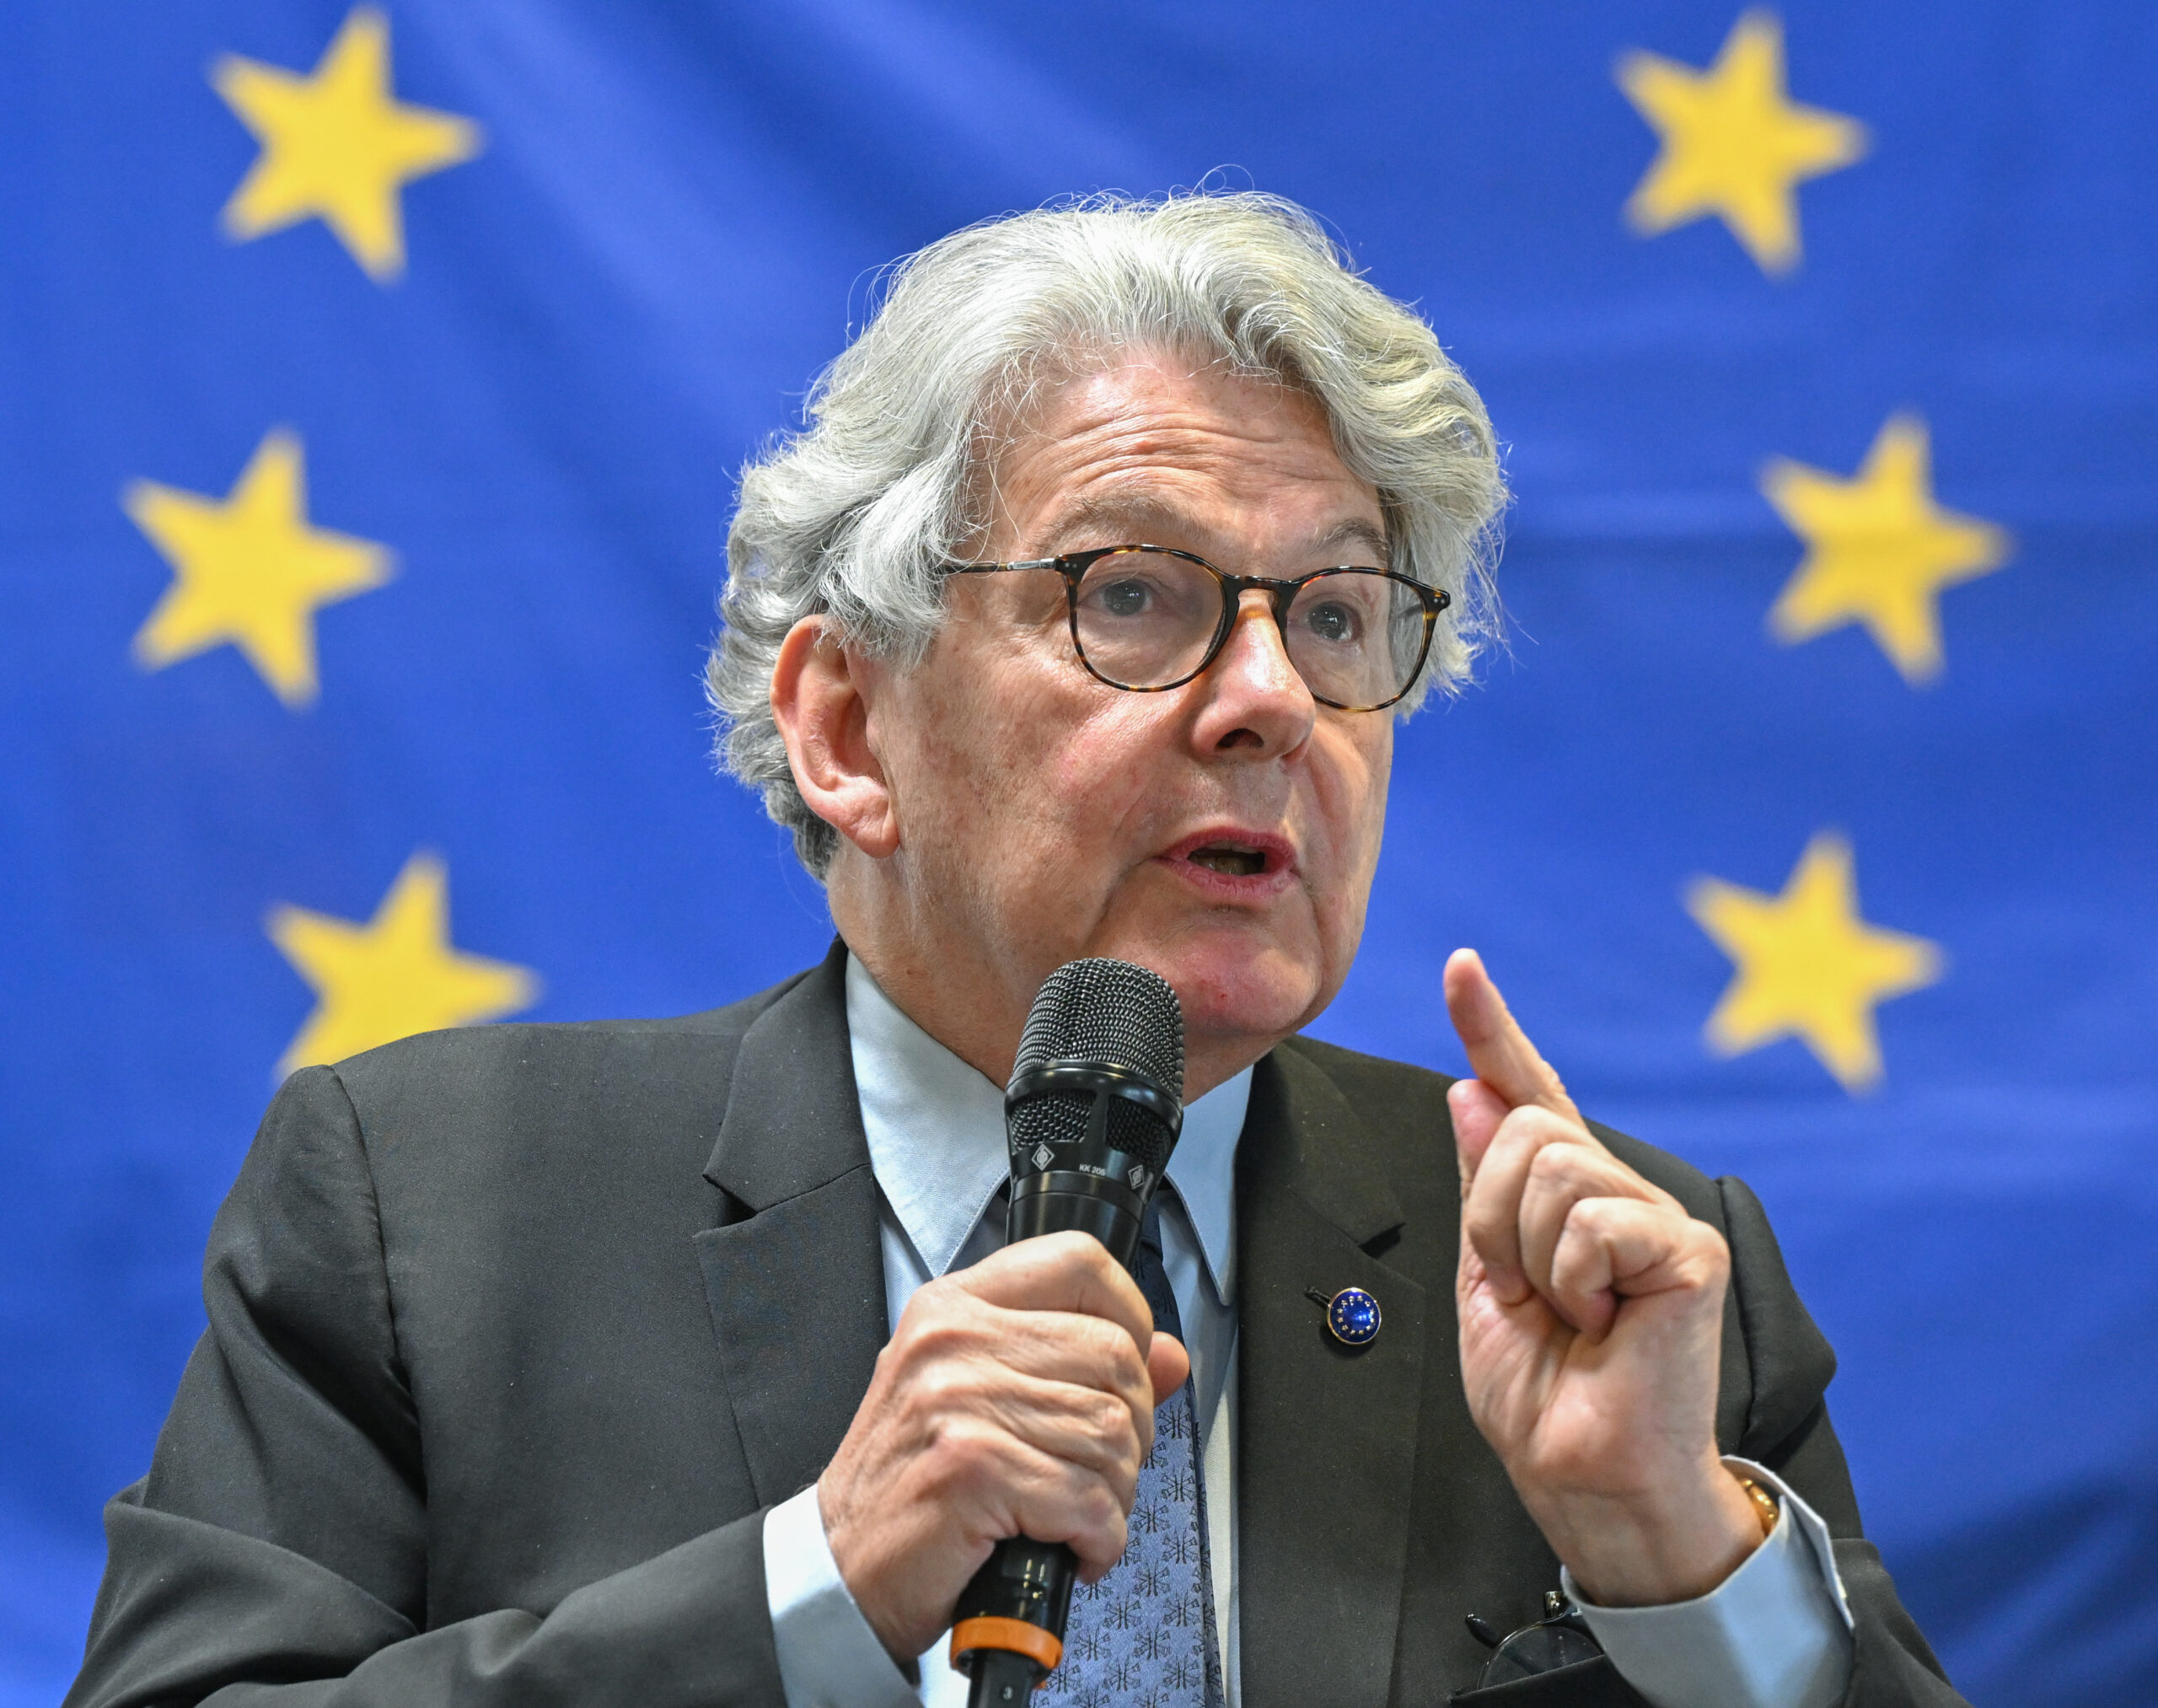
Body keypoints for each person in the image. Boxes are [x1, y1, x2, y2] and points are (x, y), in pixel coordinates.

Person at [67, 193, 1964, 1708]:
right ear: (845, 724)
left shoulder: (1618, 1282)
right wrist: (817, 1584)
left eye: (1331, 614)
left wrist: (1682, 1570)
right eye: (1131, 594)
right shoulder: (426, 1210)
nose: (1266, 702)